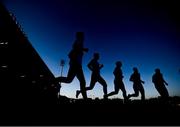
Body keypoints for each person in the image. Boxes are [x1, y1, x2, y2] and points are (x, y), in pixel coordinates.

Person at [56, 32, 88, 99]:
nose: (84, 37)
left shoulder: (80, 42)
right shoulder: (79, 41)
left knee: (70, 80)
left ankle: (56, 80)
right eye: (82, 36)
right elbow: (74, 47)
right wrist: (83, 49)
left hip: (77, 64)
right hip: (75, 64)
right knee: (80, 81)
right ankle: (85, 98)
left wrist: (82, 50)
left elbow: (75, 49)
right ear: (80, 36)